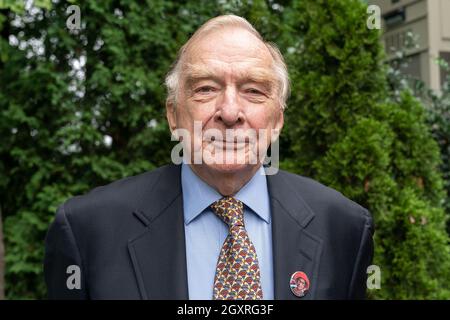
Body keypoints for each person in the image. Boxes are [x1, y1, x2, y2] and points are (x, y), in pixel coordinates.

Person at [44, 14, 374, 300]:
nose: (230, 112)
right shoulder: (87, 230)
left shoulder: (343, 227)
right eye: (205, 88)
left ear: (277, 121)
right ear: (173, 115)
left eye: (253, 90)